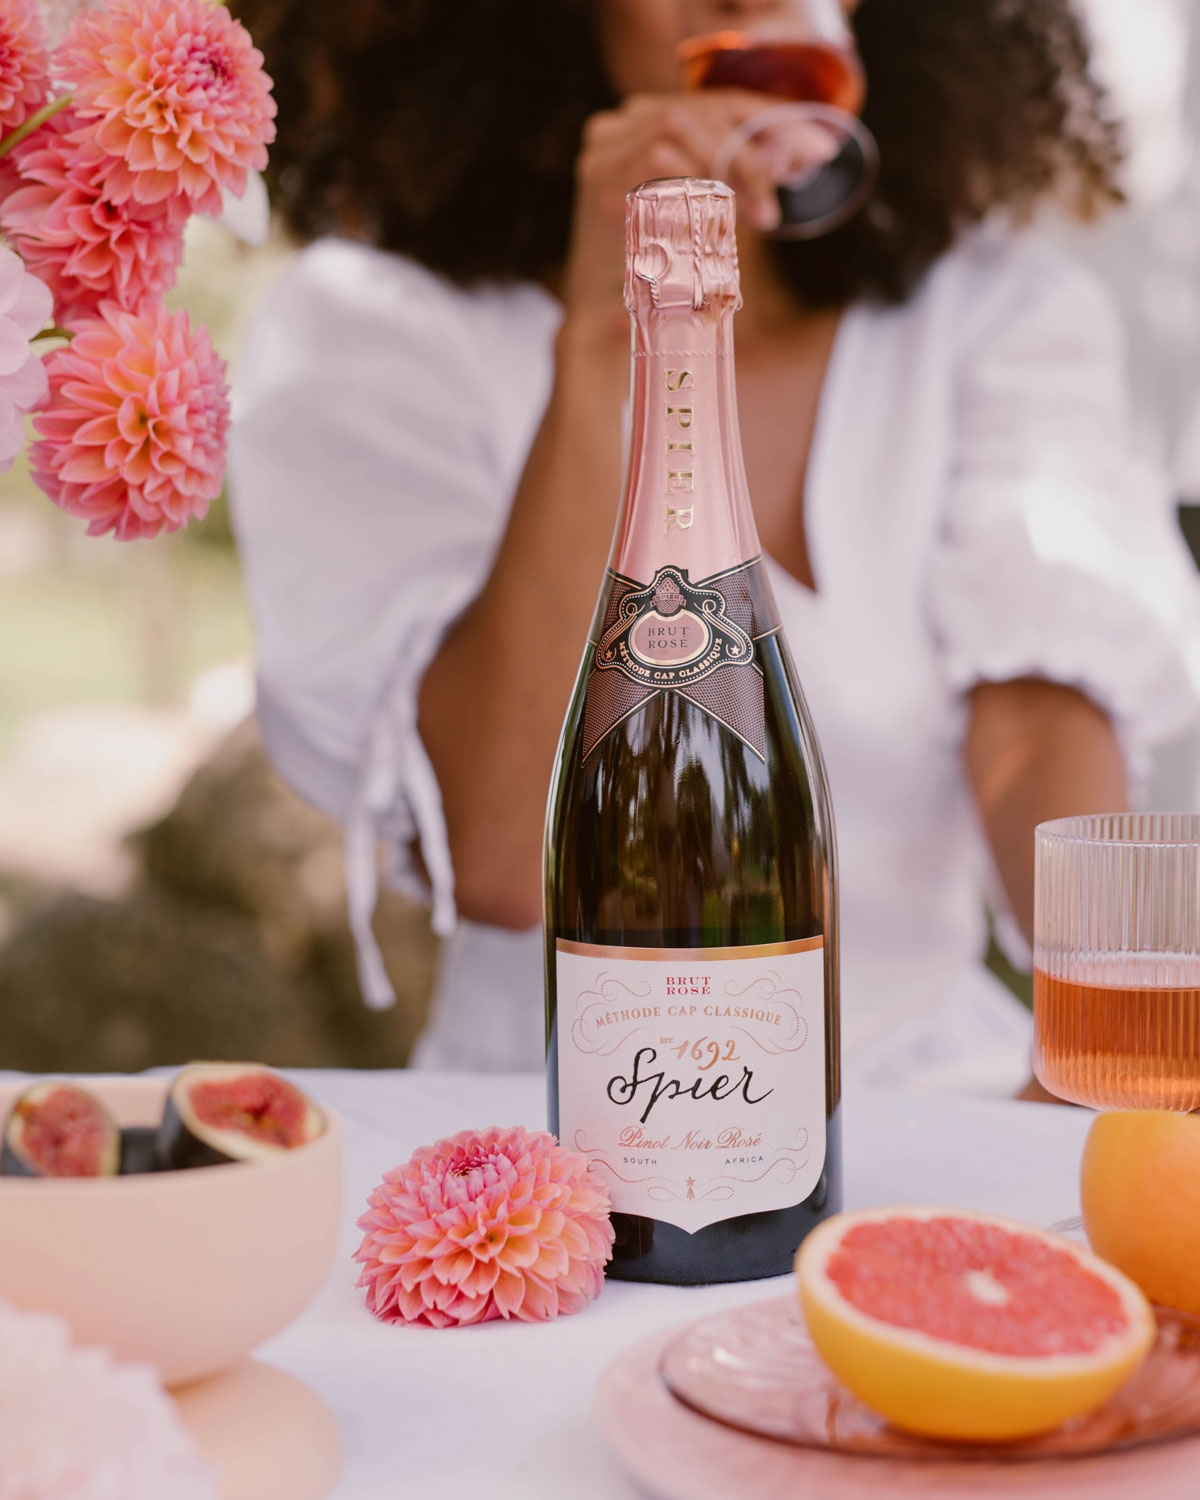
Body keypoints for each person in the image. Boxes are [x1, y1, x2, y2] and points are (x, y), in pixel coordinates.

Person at [227, 0, 1200, 1094]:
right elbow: (502, 855)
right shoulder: (375, 332)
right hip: (557, 1133)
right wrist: (611, 333)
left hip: (932, 1101)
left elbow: (1037, 719)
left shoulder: (990, 315)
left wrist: (1108, 1049)